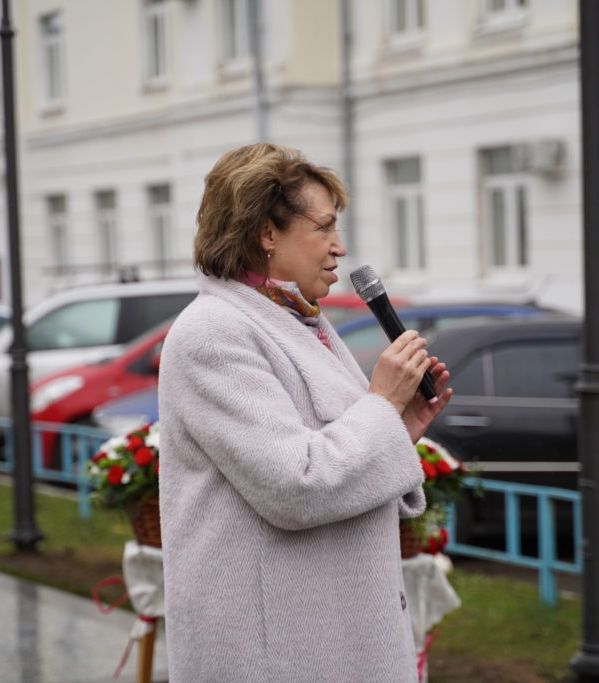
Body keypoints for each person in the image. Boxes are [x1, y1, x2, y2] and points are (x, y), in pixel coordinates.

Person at [158, 143, 453, 682]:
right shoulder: (214, 332)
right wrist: (382, 404)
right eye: (324, 227)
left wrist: (397, 428)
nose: (340, 247)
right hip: (275, 652)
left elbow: (332, 450)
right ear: (266, 233)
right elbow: (294, 486)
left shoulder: (294, 318)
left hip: (328, 634)